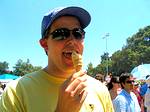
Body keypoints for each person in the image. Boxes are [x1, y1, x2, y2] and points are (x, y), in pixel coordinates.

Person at [0, 6, 114, 112]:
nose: (72, 40)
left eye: (78, 33)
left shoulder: (100, 89)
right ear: (45, 44)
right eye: (61, 33)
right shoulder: (16, 92)